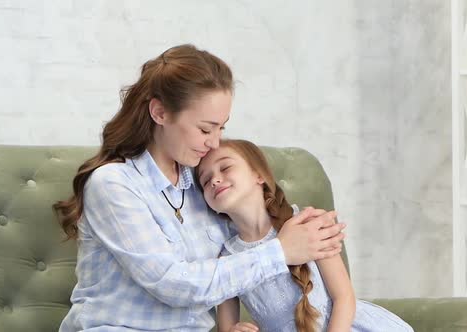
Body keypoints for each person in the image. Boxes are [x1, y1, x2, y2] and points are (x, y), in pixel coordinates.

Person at [53, 44, 346, 331]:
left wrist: (311, 228)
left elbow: (255, 226)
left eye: (222, 128)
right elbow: (173, 283)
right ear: (160, 113)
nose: (214, 142)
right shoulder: (113, 184)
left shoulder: (205, 183)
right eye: (205, 129)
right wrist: (280, 252)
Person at [196, 139, 414, 332]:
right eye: (205, 181)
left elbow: (344, 298)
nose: (215, 180)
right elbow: (226, 327)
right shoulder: (227, 260)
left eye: (225, 167)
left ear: (259, 175)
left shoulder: (305, 224)